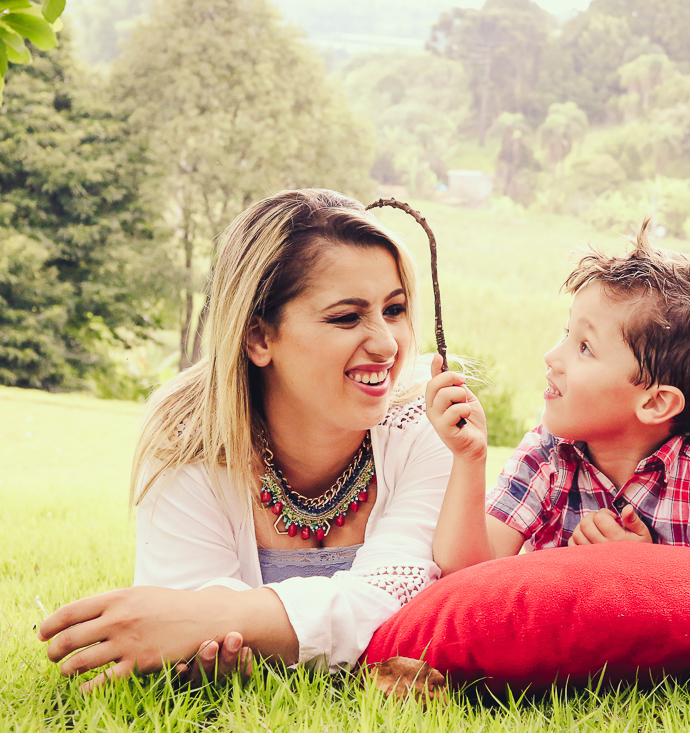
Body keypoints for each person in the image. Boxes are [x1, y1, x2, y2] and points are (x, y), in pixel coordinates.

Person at [39, 189, 452, 689]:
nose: (387, 344)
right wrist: (210, 629)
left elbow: (402, 599)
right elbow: (179, 628)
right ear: (259, 337)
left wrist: (218, 618)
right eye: (346, 317)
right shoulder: (188, 438)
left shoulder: (424, 426)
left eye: (395, 309)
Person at [426, 220, 690, 573]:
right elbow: (466, 572)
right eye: (566, 333)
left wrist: (647, 571)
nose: (552, 357)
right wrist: (470, 457)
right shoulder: (547, 456)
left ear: (655, 402)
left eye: (585, 347)